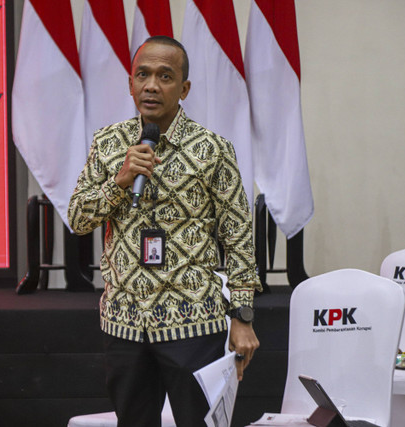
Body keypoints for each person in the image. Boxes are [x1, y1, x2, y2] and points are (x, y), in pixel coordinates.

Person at [68, 36, 262, 426]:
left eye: (165, 76)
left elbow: (238, 235)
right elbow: (78, 218)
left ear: (184, 88)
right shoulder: (108, 143)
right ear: (130, 83)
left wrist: (242, 317)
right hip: (124, 323)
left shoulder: (213, 149)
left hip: (192, 321)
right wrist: (120, 181)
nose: (151, 85)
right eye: (143, 75)